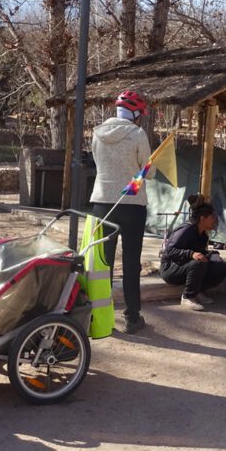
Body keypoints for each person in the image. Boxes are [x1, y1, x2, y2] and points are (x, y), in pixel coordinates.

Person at [91, 90, 152, 335]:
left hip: (102, 203)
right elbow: (146, 168)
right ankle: (132, 316)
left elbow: (97, 162)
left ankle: (102, 316)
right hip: (132, 202)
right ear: (135, 113)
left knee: (103, 261)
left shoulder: (96, 134)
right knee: (130, 262)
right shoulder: (137, 134)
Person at [159, 194, 226, 310]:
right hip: (170, 269)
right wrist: (191, 254)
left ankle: (198, 291)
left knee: (222, 268)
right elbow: (169, 251)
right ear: (202, 218)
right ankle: (188, 296)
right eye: (212, 217)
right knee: (199, 262)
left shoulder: (202, 235)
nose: (215, 220)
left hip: (187, 267)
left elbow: (201, 253)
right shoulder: (186, 230)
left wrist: (211, 256)